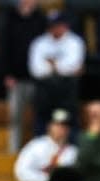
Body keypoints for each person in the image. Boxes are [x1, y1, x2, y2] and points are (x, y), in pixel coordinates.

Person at [0, 0, 47, 154]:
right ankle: (13, 149)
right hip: (16, 78)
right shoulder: (9, 17)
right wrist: (7, 73)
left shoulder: (42, 19)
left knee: (40, 116)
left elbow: (45, 46)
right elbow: (4, 47)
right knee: (15, 116)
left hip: (37, 78)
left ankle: (38, 152)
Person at [28, 10, 85, 138]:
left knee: (70, 123)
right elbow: (36, 70)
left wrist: (51, 63)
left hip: (66, 91)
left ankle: (72, 153)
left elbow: (74, 66)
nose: (55, 28)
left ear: (65, 25)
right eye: (52, 25)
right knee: (42, 125)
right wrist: (61, 66)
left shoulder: (75, 42)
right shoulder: (39, 43)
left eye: (58, 25)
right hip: (45, 92)